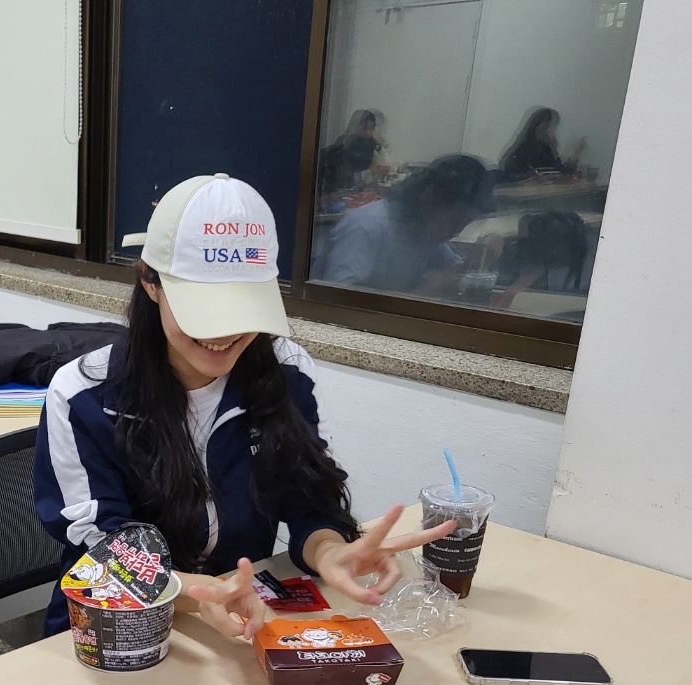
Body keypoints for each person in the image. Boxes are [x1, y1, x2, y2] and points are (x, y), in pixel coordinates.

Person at [34, 173, 453, 639]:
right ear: (150, 283)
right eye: (203, 309)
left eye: (243, 307)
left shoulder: (286, 372)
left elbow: (305, 495)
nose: (224, 333)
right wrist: (200, 593)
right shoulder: (84, 395)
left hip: (238, 618)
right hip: (111, 628)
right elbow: (103, 549)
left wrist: (330, 551)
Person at [319, 154, 492, 294]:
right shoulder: (367, 225)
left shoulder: (423, 227)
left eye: (465, 223)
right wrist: (426, 292)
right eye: (455, 221)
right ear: (429, 198)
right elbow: (339, 300)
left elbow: (450, 272)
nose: (458, 231)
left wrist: (479, 257)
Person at [500, 107, 586, 182]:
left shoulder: (545, 149)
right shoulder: (524, 149)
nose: (555, 132)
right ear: (543, 127)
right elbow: (514, 177)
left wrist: (576, 153)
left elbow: (558, 171)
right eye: (554, 127)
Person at [318, 109, 386, 194]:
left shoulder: (371, 143)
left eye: (371, 128)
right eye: (364, 128)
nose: (368, 133)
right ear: (354, 126)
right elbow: (343, 173)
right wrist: (367, 173)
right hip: (339, 191)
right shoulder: (345, 143)